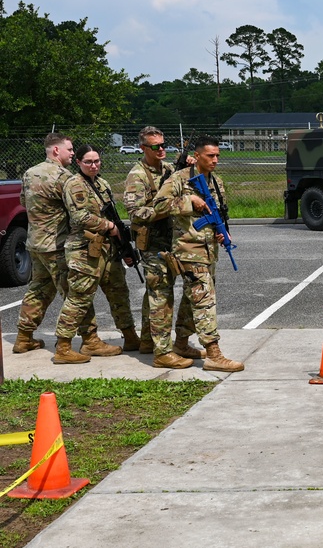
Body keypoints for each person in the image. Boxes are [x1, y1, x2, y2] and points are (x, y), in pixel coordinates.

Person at [152, 135, 244, 372]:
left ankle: (181, 343)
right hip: (188, 250)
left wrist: (223, 232)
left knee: (191, 300)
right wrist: (188, 201)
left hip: (209, 250)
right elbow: (158, 206)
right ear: (198, 155)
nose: (215, 160)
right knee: (205, 300)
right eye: (210, 156)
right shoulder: (179, 179)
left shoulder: (216, 182)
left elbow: (221, 212)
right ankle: (214, 354)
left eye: (217, 156)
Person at [123, 126, 200, 369]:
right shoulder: (137, 175)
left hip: (172, 240)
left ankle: (149, 341)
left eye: (163, 145)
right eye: (155, 147)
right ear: (143, 148)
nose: (161, 150)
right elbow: (136, 213)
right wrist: (173, 207)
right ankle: (162, 351)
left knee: (157, 294)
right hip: (153, 244)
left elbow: (184, 185)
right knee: (160, 296)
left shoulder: (168, 169)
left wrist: (189, 167)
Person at [14, 133, 97, 355]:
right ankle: (90, 339)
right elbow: (76, 210)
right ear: (56, 151)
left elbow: (24, 201)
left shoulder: (30, 172)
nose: (73, 153)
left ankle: (23, 337)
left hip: (35, 243)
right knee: (75, 293)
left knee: (39, 290)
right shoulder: (64, 177)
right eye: (69, 149)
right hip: (56, 244)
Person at [53, 145, 136, 363]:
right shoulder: (74, 184)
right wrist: (108, 225)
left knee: (119, 292)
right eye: (88, 162)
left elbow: (114, 216)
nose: (94, 165)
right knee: (79, 298)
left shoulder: (102, 183)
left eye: (97, 161)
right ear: (78, 162)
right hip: (83, 250)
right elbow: (79, 217)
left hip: (108, 249)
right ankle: (64, 347)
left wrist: (122, 243)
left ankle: (130, 336)